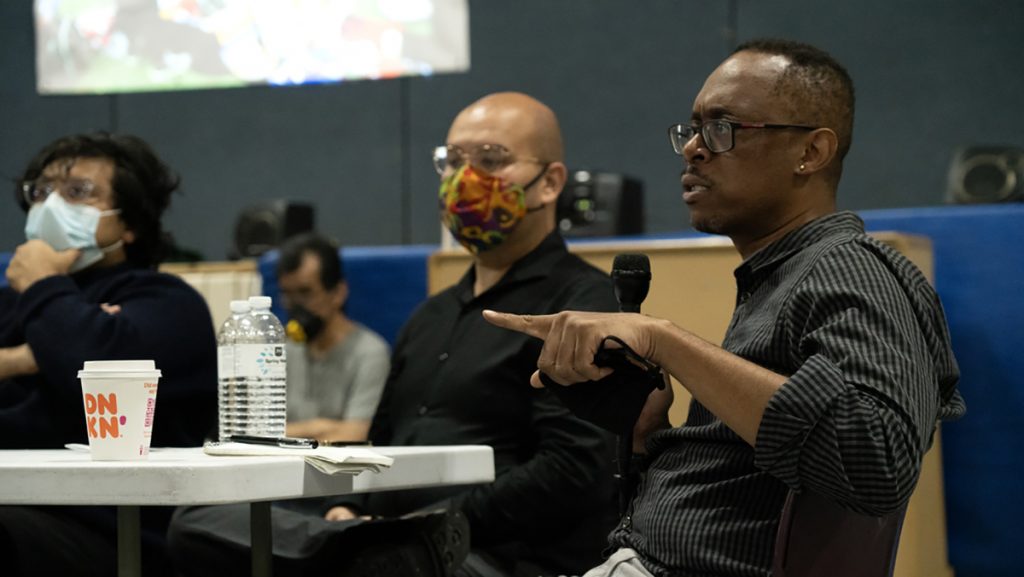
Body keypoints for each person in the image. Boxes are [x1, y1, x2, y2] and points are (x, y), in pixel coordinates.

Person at [484, 39, 966, 577]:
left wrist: (664, 339)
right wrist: (651, 433)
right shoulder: (783, 277)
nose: (694, 147)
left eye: (723, 128)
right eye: (691, 129)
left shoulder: (850, 267)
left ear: (811, 152)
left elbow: (875, 462)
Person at [168, 91, 621, 577]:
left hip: (498, 551)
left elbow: (573, 470)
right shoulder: (431, 316)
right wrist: (341, 505)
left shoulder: (582, 305)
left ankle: (369, 547)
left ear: (550, 182)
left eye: (491, 160)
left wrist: (432, 525)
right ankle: (355, 543)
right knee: (200, 520)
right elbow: (380, 444)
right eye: (452, 161)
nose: (465, 178)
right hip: (387, 532)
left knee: (380, 563)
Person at [0, 132, 218, 576]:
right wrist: (23, 357)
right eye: (42, 191)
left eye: (78, 192)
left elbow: (89, 363)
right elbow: (73, 347)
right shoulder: (15, 302)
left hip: (114, 531)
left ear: (129, 223)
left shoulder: (167, 302)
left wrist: (44, 284)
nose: (51, 206)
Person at [276, 232, 390, 442]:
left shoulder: (369, 353)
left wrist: (285, 433)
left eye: (305, 292)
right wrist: (319, 427)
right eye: (287, 294)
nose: (295, 306)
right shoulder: (281, 349)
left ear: (338, 293)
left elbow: (356, 434)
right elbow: (252, 433)